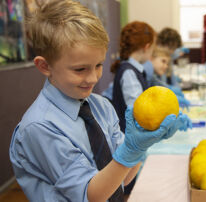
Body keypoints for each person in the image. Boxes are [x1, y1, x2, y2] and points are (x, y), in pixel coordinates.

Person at [9, 1, 191, 201]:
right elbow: (92, 195)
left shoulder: (102, 107)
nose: (93, 78)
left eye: (98, 65)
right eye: (80, 69)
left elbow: (124, 179)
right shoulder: (40, 127)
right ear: (45, 66)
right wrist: (130, 151)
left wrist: (141, 143)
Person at [111, 21, 155, 133]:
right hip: (128, 137)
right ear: (147, 47)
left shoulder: (134, 69)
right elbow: (139, 112)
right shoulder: (129, 73)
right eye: (152, 49)